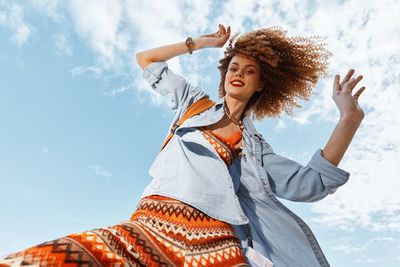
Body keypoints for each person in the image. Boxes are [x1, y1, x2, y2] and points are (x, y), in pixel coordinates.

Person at [0, 24, 365, 267]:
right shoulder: (194, 103)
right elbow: (147, 60)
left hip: (218, 242)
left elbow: (309, 184)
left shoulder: (255, 147)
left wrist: (348, 118)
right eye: (233, 67)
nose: (237, 73)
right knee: (56, 258)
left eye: (249, 70)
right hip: (153, 223)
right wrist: (200, 43)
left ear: (261, 85)